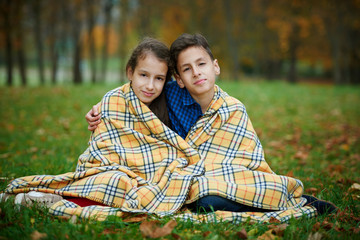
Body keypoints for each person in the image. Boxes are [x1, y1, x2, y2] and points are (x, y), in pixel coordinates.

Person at [86, 33, 337, 216]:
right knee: (205, 200)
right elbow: (132, 93)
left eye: (202, 64)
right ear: (179, 79)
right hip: (185, 179)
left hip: (224, 178)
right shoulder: (168, 92)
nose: (196, 72)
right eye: (187, 69)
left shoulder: (232, 109)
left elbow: (246, 161)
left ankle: (293, 200)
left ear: (215, 66)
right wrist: (101, 107)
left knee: (211, 197)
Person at [1, 37, 173, 208]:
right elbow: (102, 151)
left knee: (147, 188)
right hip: (105, 172)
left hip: (146, 179)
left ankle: (54, 200)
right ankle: (52, 197)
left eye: (159, 78)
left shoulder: (168, 105)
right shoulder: (113, 100)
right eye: (143, 75)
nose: (150, 86)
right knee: (117, 181)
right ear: (130, 72)